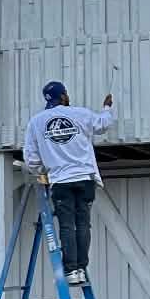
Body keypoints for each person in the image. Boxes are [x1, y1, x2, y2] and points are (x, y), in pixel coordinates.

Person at [22, 81, 116, 284]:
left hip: (60, 181)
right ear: (63, 96)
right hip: (84, 179)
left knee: (67, 225)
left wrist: (42, 171)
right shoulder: (79, 114)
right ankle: (81, 267)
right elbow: (103, 124)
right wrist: (107, 107)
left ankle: (71, 271)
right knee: (83, 223)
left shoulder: (36, 122)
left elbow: (30, 158)